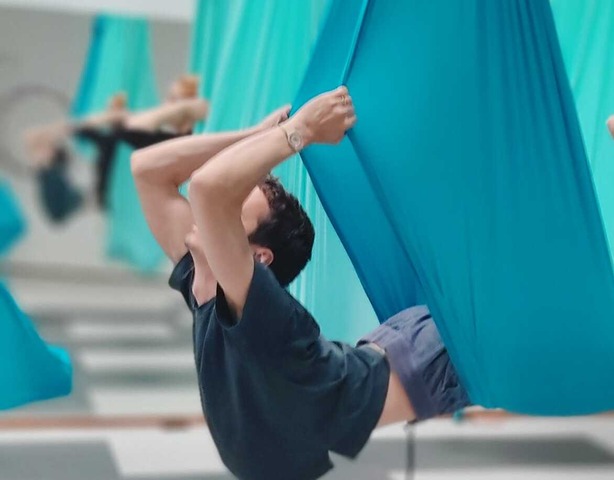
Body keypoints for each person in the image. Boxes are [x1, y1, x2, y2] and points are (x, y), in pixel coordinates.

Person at [131, 86, 471, 480]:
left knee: (517, 289)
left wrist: (298, 132)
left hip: (427, 360)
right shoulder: (217, 287)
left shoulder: (259, 307)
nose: (207, 218)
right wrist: (257, 137)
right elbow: (149, 171)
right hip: (397, 356)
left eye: (230, 212)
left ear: (258, 258)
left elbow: (207, 188)